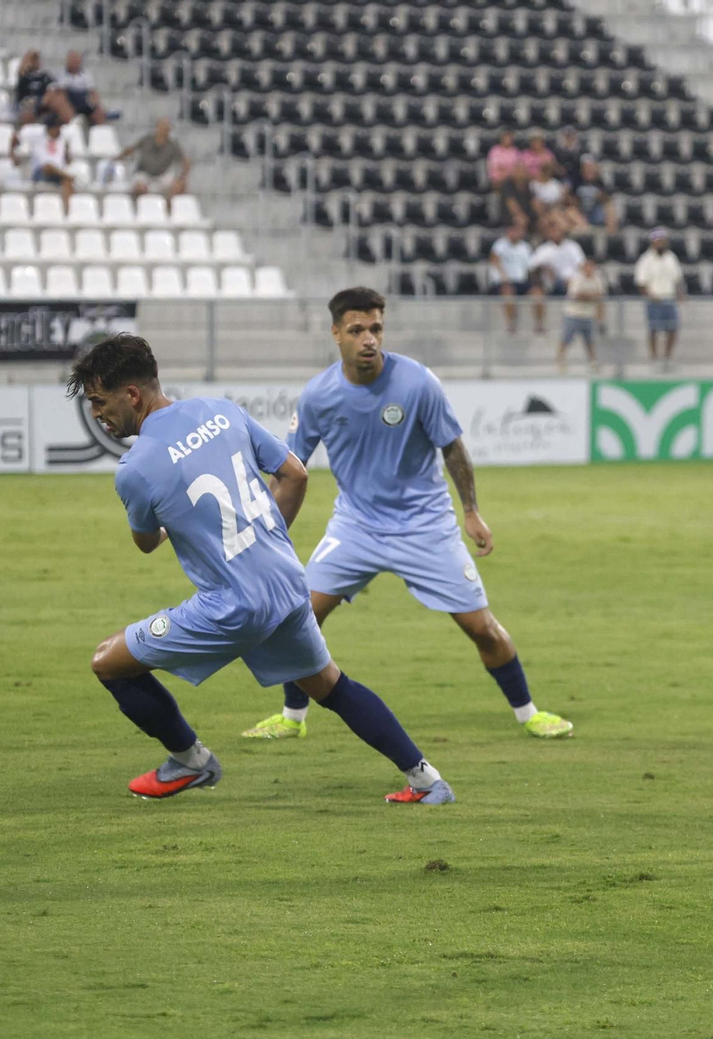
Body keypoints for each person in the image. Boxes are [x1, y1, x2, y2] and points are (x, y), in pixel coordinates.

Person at [68, 333, 454, 804]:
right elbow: (295, 473)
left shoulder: (136, 468)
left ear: (131, 394)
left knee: (108, 663)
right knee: (330, 685)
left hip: (232, 606)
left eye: (99, 401)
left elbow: (146, 542)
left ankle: (190, 760)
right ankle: (427, 780)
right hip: (287, 582)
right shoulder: (221, 411)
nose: (97, 413)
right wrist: (262, 542)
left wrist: (175, 526)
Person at [241, 288, 573, 742]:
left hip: (425, 526)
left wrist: (471, 511)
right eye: (357, 330)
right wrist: (266, 530)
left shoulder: (418, 383)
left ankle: (529, 713)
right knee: (299, 618)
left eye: (376, 328)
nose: (369, 339)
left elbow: (452, 447)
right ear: (336, 333)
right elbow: (289, 469)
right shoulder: (318, 396)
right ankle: (292, 717)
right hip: (355, 527)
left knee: (482, 629)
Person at [634, 227, 684, 368]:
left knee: (672, 329)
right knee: (653, 330)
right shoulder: (646, 259)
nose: (661, 243)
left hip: (669, 298)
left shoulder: (671, 257)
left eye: (663, 240)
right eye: (658, 241)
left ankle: (667, 358)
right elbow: (641, 282)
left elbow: (677, 279)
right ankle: (654, 358)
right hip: (654, 300)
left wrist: (680, 294)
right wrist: (650, 295)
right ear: (653, 242)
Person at [526, 217, 585, 335]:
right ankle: (539, 324)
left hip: (569, 282)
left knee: (576, 286)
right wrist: (544, 268)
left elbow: (581, 265)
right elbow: (531, 267)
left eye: (557, 230)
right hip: (549, 283)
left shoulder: (573, 247)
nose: (554, 233)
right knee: (536, 293)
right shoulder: (543, 249)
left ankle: (578, 323)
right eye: (552, 230)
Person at [113, 117, 190, 198]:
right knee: (139, 187)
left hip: (162, 175)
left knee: (178, 187)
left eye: (167, 128)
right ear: (157, 127)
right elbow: (132, 149)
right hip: (144, 173)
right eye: (162, 127)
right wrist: (118, 157)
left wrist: (182, 177)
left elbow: (185, 160)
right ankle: (139, 204)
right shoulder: (146, 140)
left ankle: (168, 205)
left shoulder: (173, 145)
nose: (164, 130)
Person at [558, 257, 605, 373]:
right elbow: (577, 295)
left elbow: (600, 296)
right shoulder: (577, 279)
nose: (589, 269)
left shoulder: (597, 280)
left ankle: (593, 362)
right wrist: (591, 296)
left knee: (589, 341)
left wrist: (588, 297)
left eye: (591, 267)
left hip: (588, 315)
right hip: (573, 314)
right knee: (566, 339)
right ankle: (560, 360)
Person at [487, 220, 532, 334]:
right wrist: (504, 276)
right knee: (508, 291)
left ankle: (539, 324)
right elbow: (494, 261)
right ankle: (511, 323)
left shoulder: (525, 247)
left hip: (520, 281)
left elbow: (529, 266)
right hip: (502, 282)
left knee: (537, 292)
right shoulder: (500, 244)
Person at [47, 51, 106, 125]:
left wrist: (96, 105)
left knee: (99, 111)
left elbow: (92, 91)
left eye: (76, 60)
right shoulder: (61, 74)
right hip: (68, 100)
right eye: (72, 60)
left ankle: (99, 129)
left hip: (83, 99)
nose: (74, 62)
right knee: (61, 100)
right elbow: (59, 91)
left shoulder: (86, 74)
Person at [29, 116, 75, 209]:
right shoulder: (39, 139)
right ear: (50, 128)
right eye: (56, 127)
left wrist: (67, 151)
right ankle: (67, 176)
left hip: (57, 173)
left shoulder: (62, 141)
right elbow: (44, 164)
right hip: (41, 172)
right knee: (48, 166)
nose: (59, 130)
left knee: (67, 182)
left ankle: (69, 210)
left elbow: (67, 162)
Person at [14, 50, 55, 125]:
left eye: (37, 59)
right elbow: (20, 96)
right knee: (28, 110)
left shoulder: (45, 76)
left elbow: (53, 88)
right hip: (27, 104)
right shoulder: (24, 78)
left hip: (43, 104)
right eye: (33, 59)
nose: (36, 62)